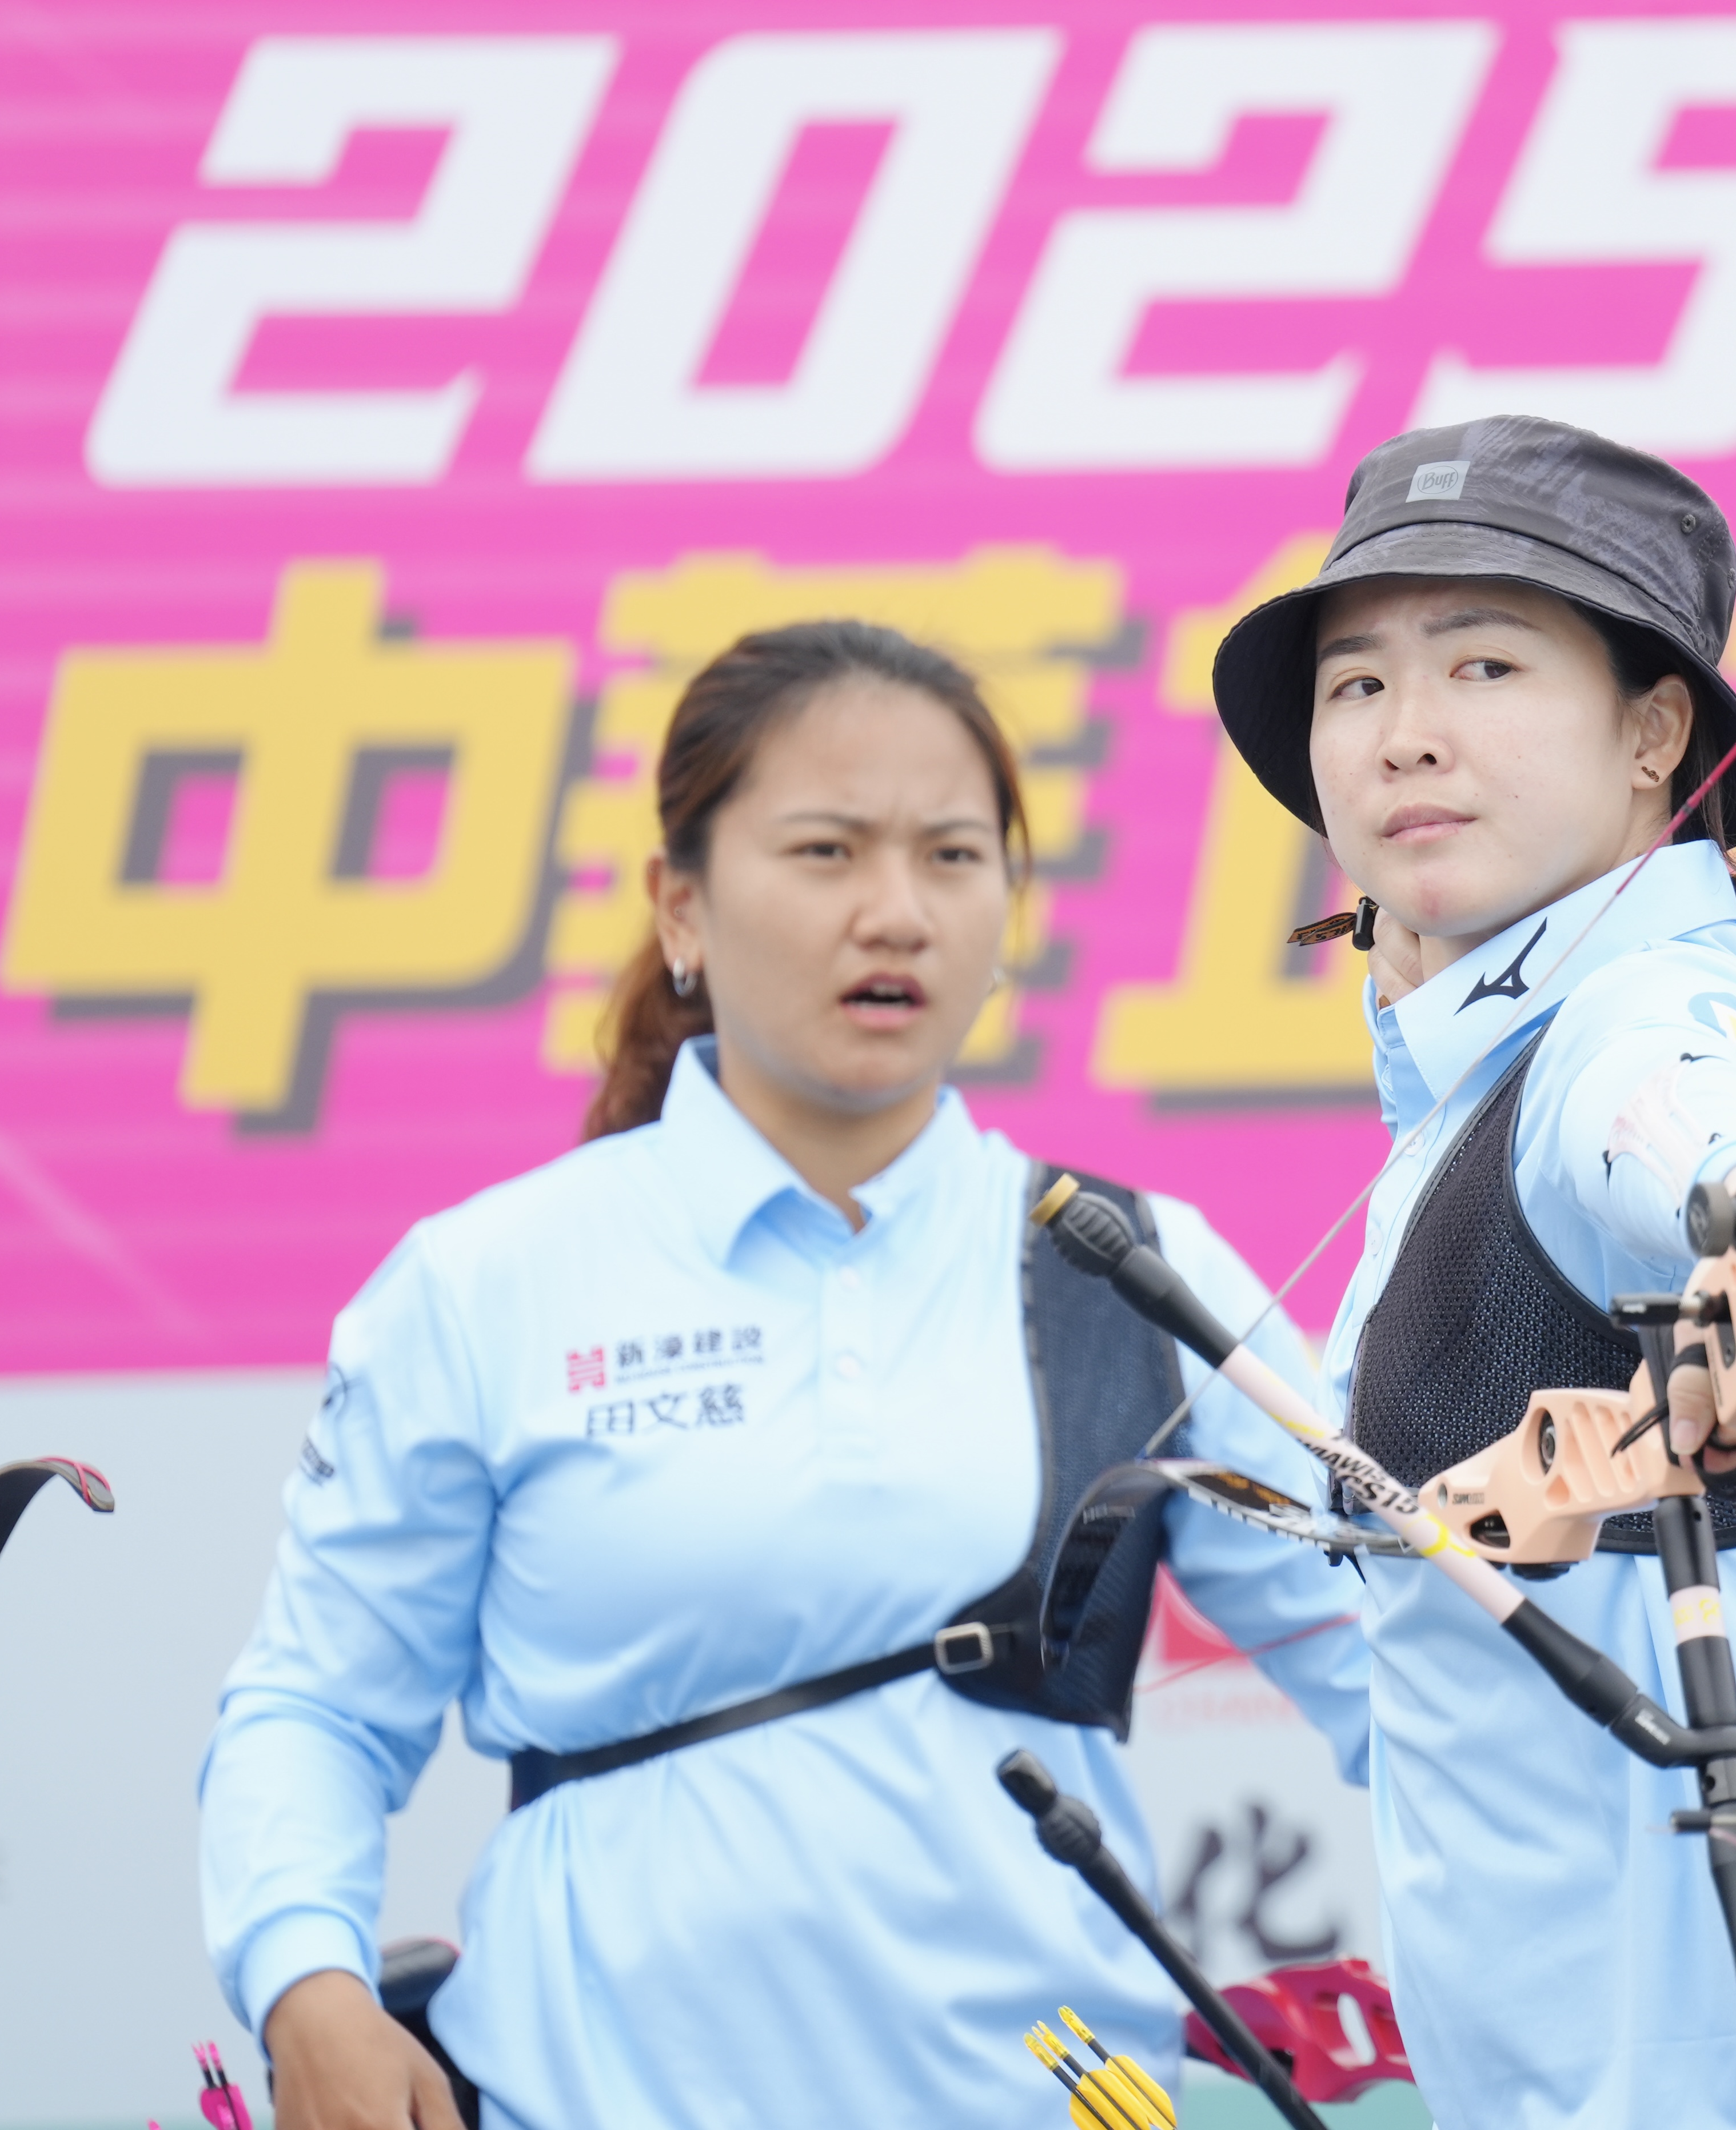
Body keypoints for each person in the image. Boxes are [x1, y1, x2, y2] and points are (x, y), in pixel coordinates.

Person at [199, 620, 1368, 2130]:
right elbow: (313, 1708)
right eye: (827, 852)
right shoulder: (488, 1282)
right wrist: (307, 1988)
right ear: (680, 906)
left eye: (954, 857)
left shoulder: (1131, 1267)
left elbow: (1398, 1662)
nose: (897, 912)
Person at [1208, 417, 1736, 2130]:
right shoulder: (1477, 1078)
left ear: (1655, 734)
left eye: (1486, 666)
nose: (1407, 731)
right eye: (1358, 685)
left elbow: (1681, 1135)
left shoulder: (1640, 1018)